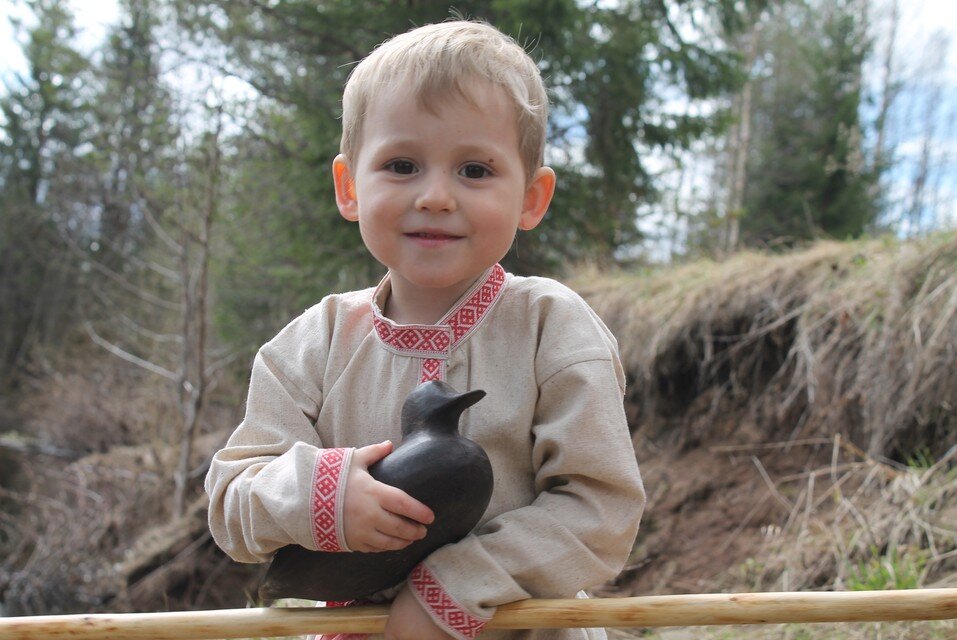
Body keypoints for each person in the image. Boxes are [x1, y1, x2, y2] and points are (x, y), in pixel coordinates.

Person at [205, 19, 646, 640]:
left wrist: (459, 587)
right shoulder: (310, 344)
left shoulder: (553, 327)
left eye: (475, 170)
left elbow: (602, 511)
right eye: (402, 164)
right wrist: (323, 497)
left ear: (533, 198)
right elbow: (232, 506)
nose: (436, 196)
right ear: (350, 186)